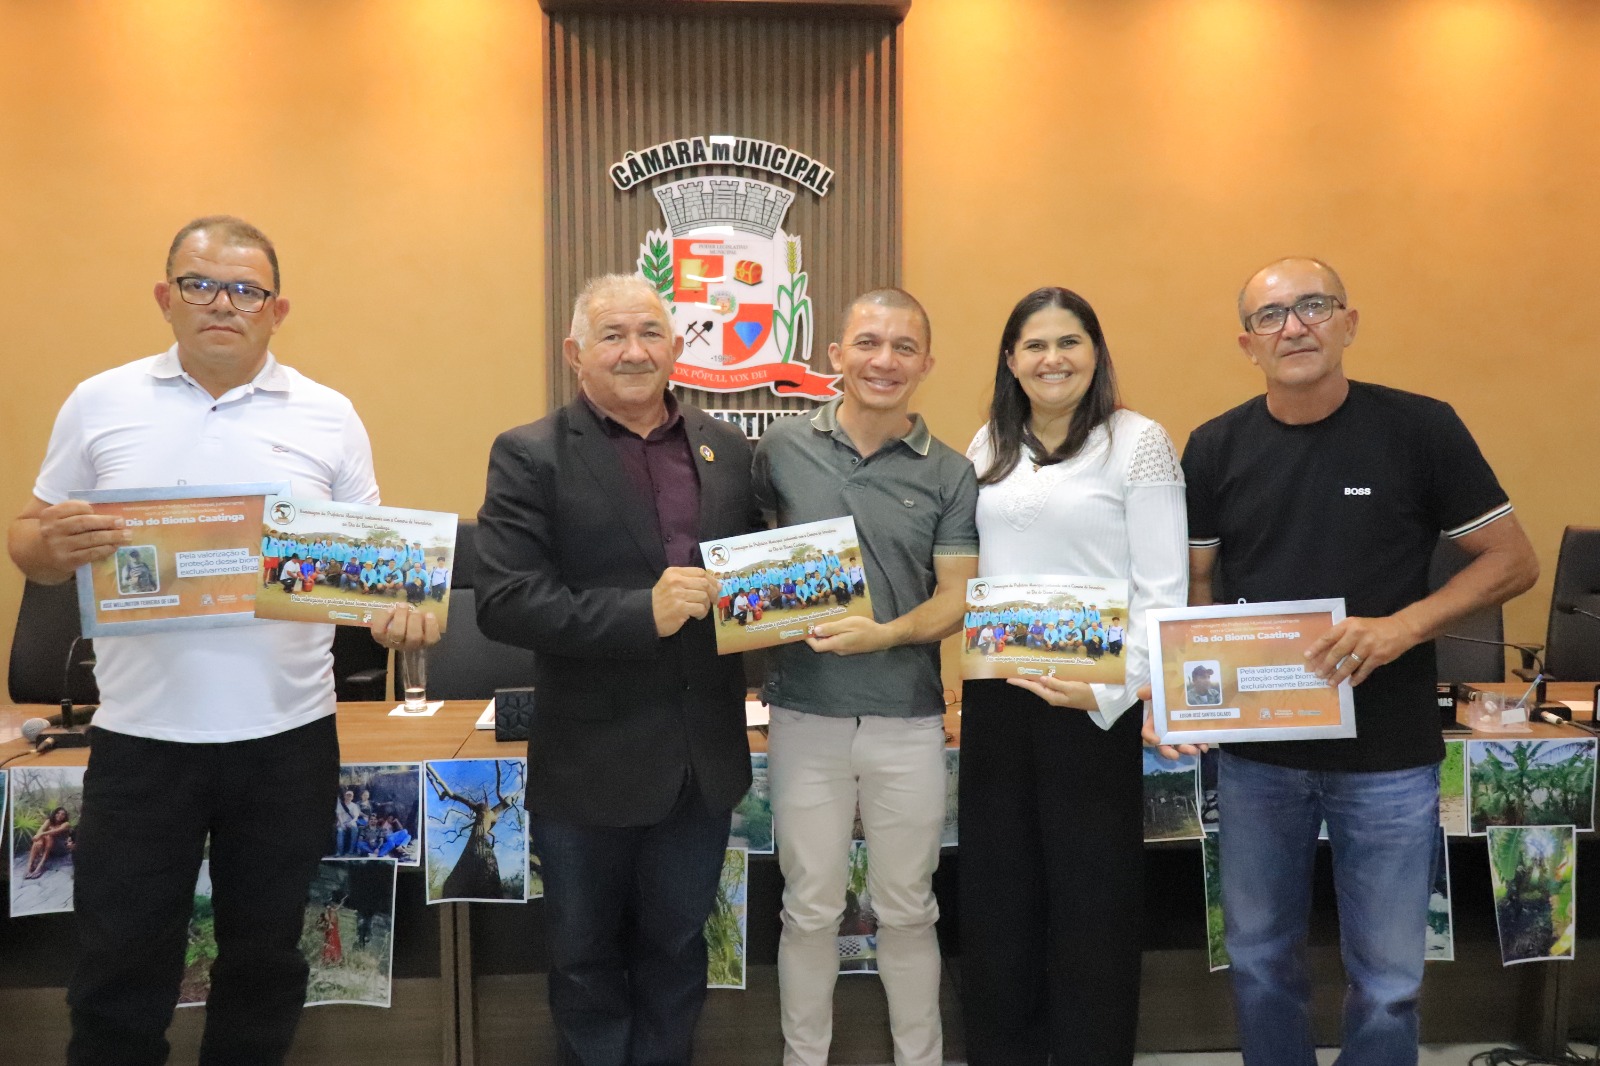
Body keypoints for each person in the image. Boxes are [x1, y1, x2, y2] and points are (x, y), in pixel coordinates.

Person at [6, 215, 436, 1066]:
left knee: (266, 967)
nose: (222, 304)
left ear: (277, 310)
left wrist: (401, 610)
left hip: (287, 741)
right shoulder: (100, 401)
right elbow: (29, 537)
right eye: (199, 284)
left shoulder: (329, 414)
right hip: (140, 740)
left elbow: (374, 570)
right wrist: (47, 547)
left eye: (245, 290)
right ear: (165, 297)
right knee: (118, 969)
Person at [1179, 257, 1538, 1066]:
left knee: (1388, 979)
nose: (1294, 326)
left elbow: (1513, 560)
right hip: (1258, 757)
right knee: (1260, 962)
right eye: (1270, 315)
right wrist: (1191, 694)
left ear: (1349, 322)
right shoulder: (1213, 447)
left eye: (1313, 305)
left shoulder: (1421, 429)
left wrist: (1402, 628)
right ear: (1247, 343)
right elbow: (1196, 588)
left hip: (1388, 757)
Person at [475, 273, 756, 1066]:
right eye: (612, 335)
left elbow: (758, 579)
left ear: (676, 346)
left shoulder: (729, 449)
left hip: (700, 764)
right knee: (584, 960)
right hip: (589, 764)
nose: (634, 351)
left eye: (650, 333)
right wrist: (642, 613)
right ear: (575, 353)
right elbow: (505, 601)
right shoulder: (530, 453)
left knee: (678, 953)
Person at [959, 286, 1188, 1065]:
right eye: (1035, 344)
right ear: (1010, 360)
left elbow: (1163, 588)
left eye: (1069, 342)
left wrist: (1116, 691)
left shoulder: (1138, 442)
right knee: (999, 897)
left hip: (1093, 702)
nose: (1052, 358)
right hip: (998, 695)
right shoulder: (988, 444)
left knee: (1093, 904)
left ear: (1096, 353)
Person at [753, 288, 979, 1066]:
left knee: (908, 908)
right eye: (869, 343)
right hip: (803, 716)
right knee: (809, 910)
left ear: (927, 363)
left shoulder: (951, 472)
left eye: (904, 347)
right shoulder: (780, 449)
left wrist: (884, 634)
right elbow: (746, 559)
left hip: (907, 718)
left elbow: (956, 598)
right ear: (836, 355)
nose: (885, 360)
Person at [25, 806, 75, 879]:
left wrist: (41, 835)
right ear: (54, 813)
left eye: (63, 814)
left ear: (65, 816)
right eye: (58, 813)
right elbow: (40, 830)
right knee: (39, 840)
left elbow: (55, 831)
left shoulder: (66, 824)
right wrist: (39, 841)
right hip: (49, 847)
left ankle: (40, 866)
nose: (60, 815)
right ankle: (29, 866)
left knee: (48, 836)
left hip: (60, 848)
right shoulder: (49, 821)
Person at [334, 789, 362, 856]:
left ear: (352, 797)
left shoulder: (354, 805)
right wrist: (342, 824)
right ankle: (339, 852)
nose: (348, 797)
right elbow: (338, 815)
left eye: (350, 796)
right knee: (340, 831)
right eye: (347, 795)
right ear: (344, 796)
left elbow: (356, 817)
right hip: (342, 822)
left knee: (355, 829)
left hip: (351, 822)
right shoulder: (340, 805)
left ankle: (351, 851)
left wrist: (350, 823)